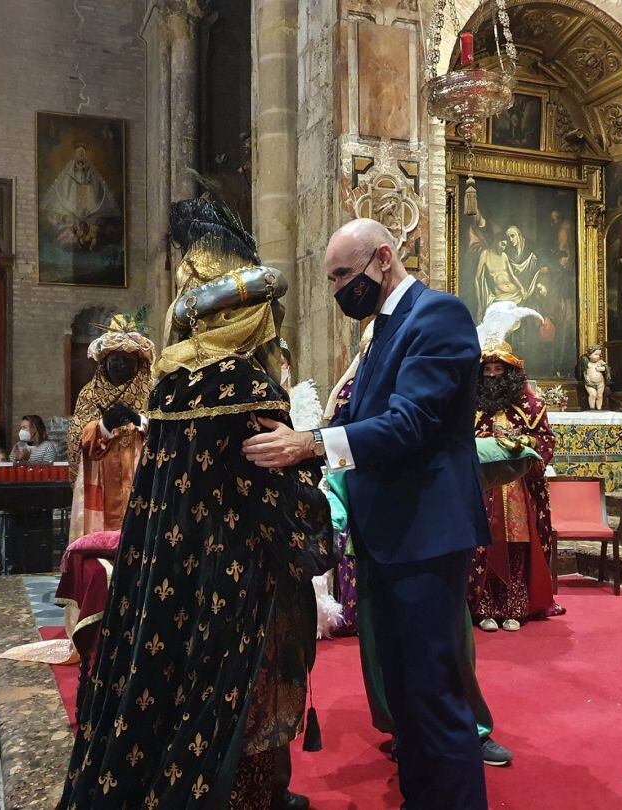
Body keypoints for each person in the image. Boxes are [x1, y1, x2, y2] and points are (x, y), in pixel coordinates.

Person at [58, 197, 335, 810]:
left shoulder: (174, 379)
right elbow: (274, 497)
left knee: (172, 688)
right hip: (238, 574)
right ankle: (248, 797)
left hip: (171, 566)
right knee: (242, 690)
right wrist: (320, 517)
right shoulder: (247, 384)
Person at [243, 218, 492, 809]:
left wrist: (309, 444)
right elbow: (365, 420)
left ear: (383, 258)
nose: (336, 292)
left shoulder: (439, 316)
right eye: (331, 279)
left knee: (433, 691)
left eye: (342, 276)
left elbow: (409, 423)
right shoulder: (383, 330)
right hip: (389, 535)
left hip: (427, 536)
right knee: (404, 694)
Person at [321, 323, 511, 767]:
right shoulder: (355, 387)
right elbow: (341, 444)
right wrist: (333, 493)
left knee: (448, 641)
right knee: (381, 642)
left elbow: (426, 433)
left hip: (426, 534)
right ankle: (402, 725)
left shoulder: (430, 360)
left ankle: (469, 728)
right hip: (374, 528)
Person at [472, 345, 563, 631]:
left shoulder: (532, 407)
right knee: (482, 544)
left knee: (516, 543)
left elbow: (545, 440)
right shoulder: (471, 407)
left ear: (510, 373)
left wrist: (523, 443)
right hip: (482, 488)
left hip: (517, 489)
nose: (493, 375)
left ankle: (515, 607)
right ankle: (484, 607)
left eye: (499, 370)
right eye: (487, 370)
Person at [65, 312, 154, 540]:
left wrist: (140, 421)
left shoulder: (153, 392)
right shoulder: (89, 393)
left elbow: (169, 433)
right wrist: (102, 426)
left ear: (138, 363)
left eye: (127, 359)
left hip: (141, 475)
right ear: (104, 362)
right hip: (101, 477)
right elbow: (76, 438)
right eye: (115, 359)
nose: (120, 365)